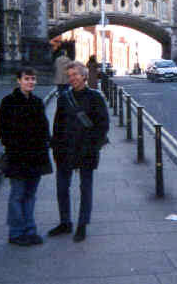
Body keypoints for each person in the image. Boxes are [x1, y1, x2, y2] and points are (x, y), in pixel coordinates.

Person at [49, 61, 109, 242]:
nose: (72, 78)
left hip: (86, 151)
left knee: (85, 188)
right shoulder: (64, 98)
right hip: (65, 150)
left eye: (76, 74)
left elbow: (103, 126)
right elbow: (57, 125)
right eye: (70, 75)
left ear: (84, 76)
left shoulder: (95, 97)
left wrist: (93, 147)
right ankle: (65, 222)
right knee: (62, 188)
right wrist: (56, 147)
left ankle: (82, 225)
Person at [0, 67, 52, 246]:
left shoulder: (37, 102)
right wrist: (14, 147)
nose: (31, 82)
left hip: (36, 157)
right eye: (27, 79)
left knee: (30, 195)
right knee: (17, 195)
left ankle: (30, 230)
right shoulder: (8, 102)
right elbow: (3, 130)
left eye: (33, 79)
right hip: (18, 157)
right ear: (18, 80)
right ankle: (16, 232)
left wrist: (46, 144)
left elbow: (44, 128)